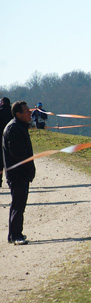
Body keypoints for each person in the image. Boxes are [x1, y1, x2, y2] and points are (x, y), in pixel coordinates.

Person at [3, 101, 36, 245]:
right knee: (18, 204)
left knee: (20, 204)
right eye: (27, 111)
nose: (30, 113)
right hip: (17, 174)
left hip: (21, 173)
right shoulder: (14, 129)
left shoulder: (20, 126)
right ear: (18, 114)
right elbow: (18, 154)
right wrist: (29, 168)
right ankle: (16, 235)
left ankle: (15, 233)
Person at [0, 97, 12, 187]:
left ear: (2, 102)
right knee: (10, 161)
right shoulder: (12, 112)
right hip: (10, 139)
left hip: (1, 138)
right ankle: (10, 180)